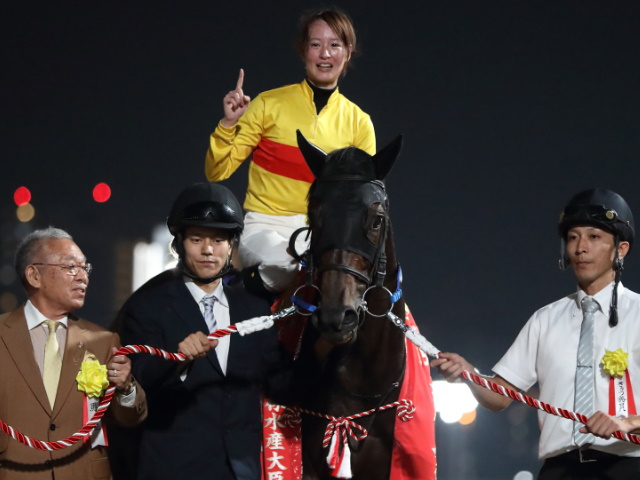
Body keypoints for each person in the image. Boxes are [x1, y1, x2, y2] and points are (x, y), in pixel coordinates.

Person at [431, 188, 640, 479]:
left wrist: (628, 424)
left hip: (627, 467)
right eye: (572, 237)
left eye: (594, 237)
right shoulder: (545, 319)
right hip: (558, 470)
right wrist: (469, 374)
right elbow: (500, 398)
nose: (580, 248)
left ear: (621, 249)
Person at [113, 182, 294, 480]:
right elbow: (135, 383)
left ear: (232, 244)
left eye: (219, 240)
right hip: (173, 470)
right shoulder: (147, 305)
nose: (208, 250)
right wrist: (177, 358)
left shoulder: (256, 305)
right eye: (197, 239)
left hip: (244, 470)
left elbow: (282, 382)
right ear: (180, 243)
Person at [205, 8, 376, 295]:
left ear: (347, 52)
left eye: (334, 45)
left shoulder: (359, 123)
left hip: (325, 235)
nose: (325, 54)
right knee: (290, 265)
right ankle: (233, 293)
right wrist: (228, 124)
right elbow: (216, 171)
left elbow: (362, 201)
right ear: (303, 51)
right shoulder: (267, 104)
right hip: (265, 227)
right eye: (315, 44)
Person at [0, 227, 147, 480]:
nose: (83, 277)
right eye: (71, 267)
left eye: (85, 268)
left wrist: (126, 388)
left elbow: (130, 417)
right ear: (34, 275)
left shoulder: (104, 341)